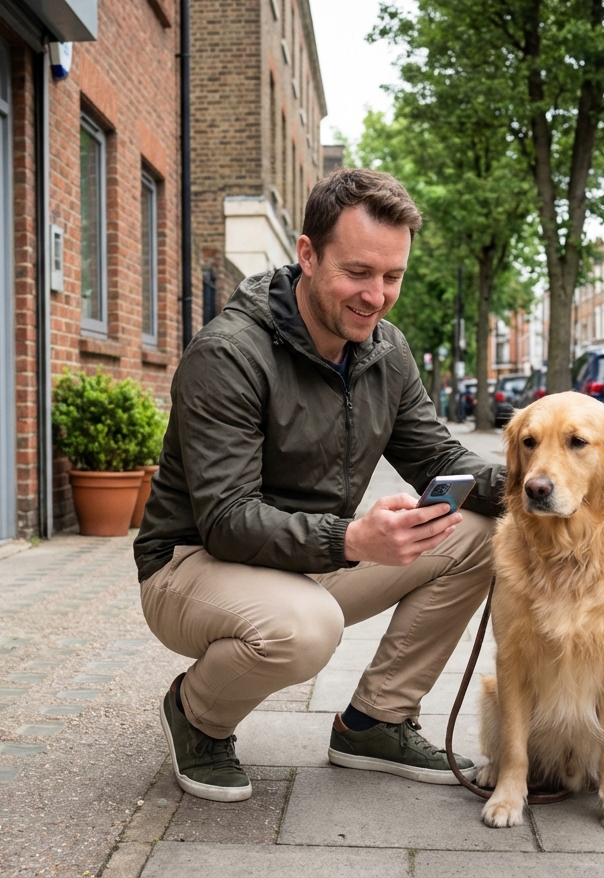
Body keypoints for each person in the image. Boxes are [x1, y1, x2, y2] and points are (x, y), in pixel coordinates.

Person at [133, 168, 503, 802]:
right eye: (358, 273)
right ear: (307, 254)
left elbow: (440, 458)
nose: (377, 296)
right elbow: (226, 518)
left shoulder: (385, 350)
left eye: (393, 277)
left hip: (311, 557)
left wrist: (542, 478)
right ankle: (197, 716)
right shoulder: (228, 355)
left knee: (483, 531)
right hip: (191, 563)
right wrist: (356, 538)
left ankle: (375, 722)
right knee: (305, 629)